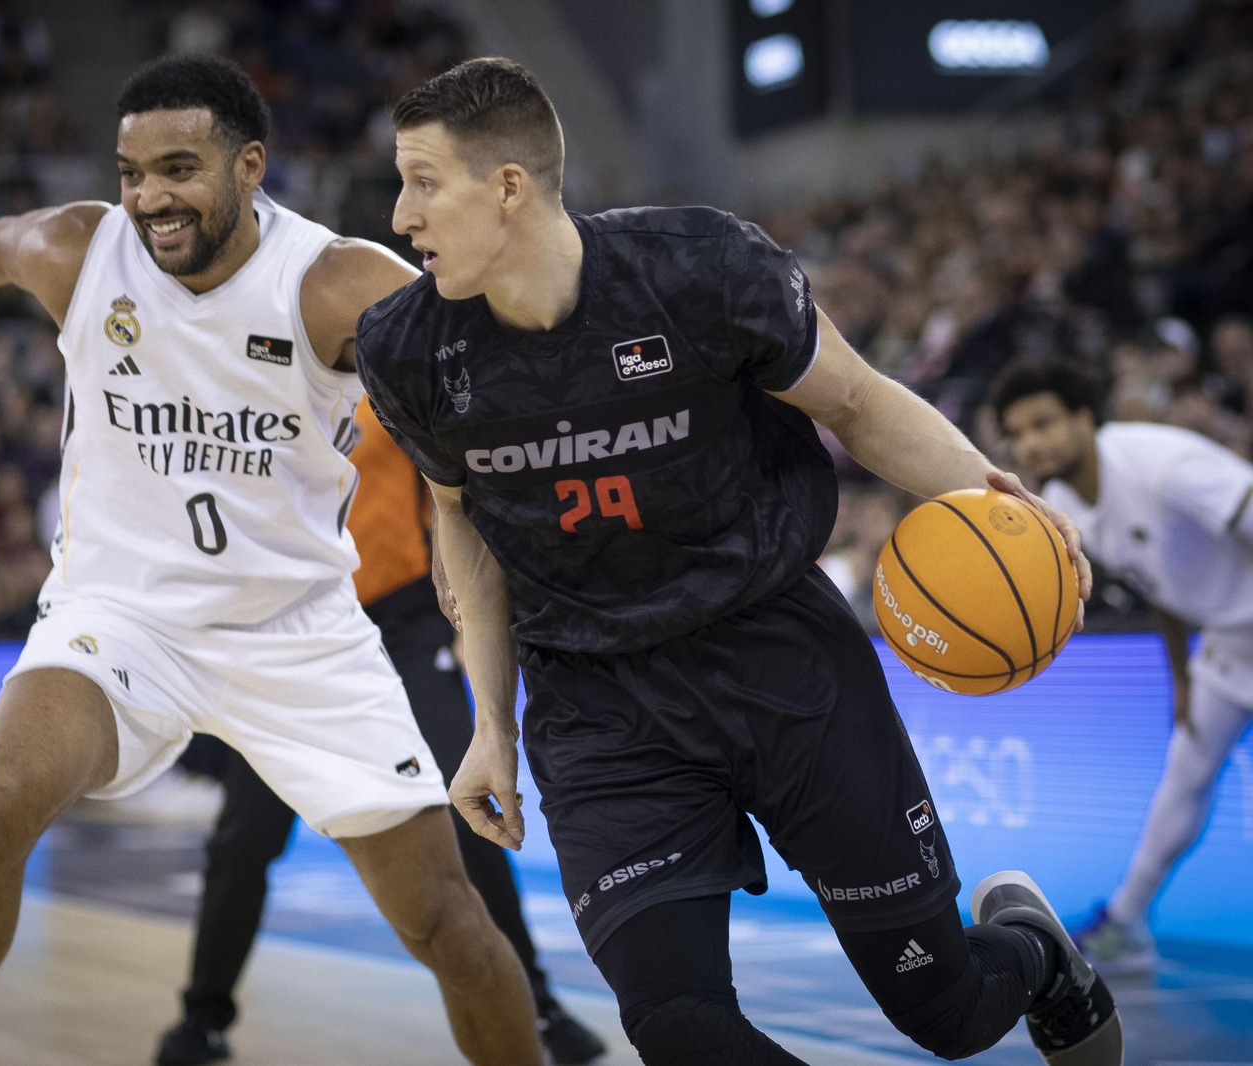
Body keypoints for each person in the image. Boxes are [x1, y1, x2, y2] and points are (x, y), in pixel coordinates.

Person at [0, 55, 542, 1066]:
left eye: (177, 169)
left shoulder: (336, 282)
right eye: (131, 172)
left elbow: (495, 351)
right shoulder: (84, 253)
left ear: (248, 165)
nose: (148, 198)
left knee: (445, 919)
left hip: (297, 633)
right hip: (118, 613)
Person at [355, 58, 1121, 1066]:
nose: (401, 215)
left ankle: (1031, 951)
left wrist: (989, 492)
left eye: (423, 181)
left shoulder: (700, 271)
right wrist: (490, 725)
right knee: (677, 1026)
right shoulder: (406, 348)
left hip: (778, 657)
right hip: (599, 704)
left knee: (947, 1013)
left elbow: (854, 401)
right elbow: (464, 524)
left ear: (508, 184)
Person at [155, 398, 604, 1065]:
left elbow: (455, 498)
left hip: (402, 624)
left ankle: (535, 1005)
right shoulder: (258, 387)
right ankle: (202, 1019)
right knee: (243, 835)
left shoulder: (387, 381)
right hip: (292, 634)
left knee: (467, 806)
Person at [993, 357, 1253, 971]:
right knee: (1184, 777)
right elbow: (1159, 584)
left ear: (1085, 418)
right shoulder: (1064, 504)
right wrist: (1182, 679)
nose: (1031, 443)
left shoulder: (1163, 465)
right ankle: (1127, 924)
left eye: (1044, 423)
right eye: (1018, 432)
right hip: (1226, 643)